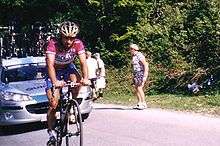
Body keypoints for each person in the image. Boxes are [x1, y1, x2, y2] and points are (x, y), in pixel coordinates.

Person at [45, 21, 89, 144]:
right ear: (61, 36)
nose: (69, 41)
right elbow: (50, 65)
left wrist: (86, 78)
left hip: (68, 68)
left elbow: (83, 62)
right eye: (66, 38)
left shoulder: (78, 44)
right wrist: (55, 82)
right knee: (53, 104)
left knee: (77, 80)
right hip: (54, 70)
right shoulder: (52, 44)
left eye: (72, 38)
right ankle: (50, 131)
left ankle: (71, 106)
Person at [129, 43, 149, 110]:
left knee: (140, 88)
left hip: (140, 73)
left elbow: (145, 65)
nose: (130, 50)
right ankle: (139, 103)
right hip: (136, 73)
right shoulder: (134, 56)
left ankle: (144, 103)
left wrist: (145, 75)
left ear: (134, 49)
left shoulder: (139, 55)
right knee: (136, 88)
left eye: (130, 49)